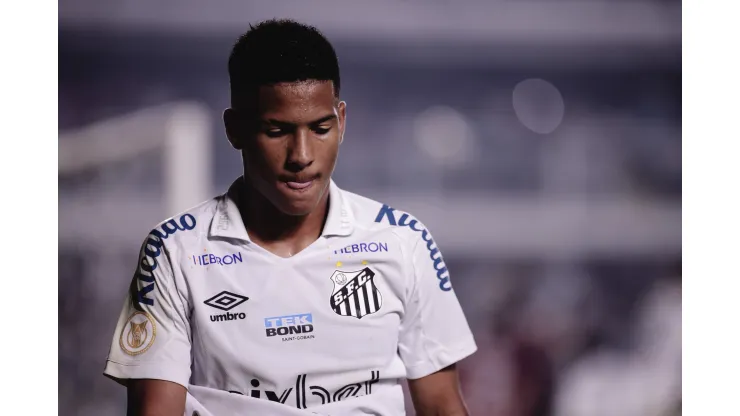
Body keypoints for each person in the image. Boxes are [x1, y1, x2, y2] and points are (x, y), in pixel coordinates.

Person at [103, 19, 477, 416]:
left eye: (320, 128)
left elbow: (441, 405)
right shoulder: (174, 250)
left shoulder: (403, 241)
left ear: (342, 121)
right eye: (277, 130)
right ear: (235, 129)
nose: (301, 155)